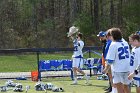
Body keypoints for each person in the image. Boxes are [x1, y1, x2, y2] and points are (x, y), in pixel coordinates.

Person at [105, 28, 130, 93]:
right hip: (127, 68)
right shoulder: (125, 42)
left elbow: (110, 60)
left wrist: (106, 69)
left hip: (118, 69)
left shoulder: (113, 45)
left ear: (113, 36)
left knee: (119, 88)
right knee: (126, 87)